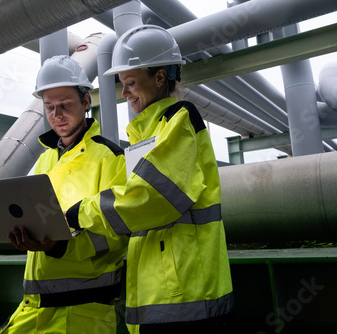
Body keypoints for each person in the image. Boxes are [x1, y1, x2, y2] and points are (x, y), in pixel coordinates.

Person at [65, 25, 234, 333]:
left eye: (130, 82)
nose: (125, 92)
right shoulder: (146, 137)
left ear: (159, 77)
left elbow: (149, 197)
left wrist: (82, 212)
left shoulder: (180, 120)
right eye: (122, 84)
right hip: (158, 295)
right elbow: (132, 215)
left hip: (187, 297)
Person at [0, 55, 129, 334]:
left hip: (85, 311)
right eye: (49, 107)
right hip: (35, 307)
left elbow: (117, 237)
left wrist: (59, 247)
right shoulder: (46, 160)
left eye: (65, 105)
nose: (56, 115)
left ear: (86, 102)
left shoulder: (110, 159)